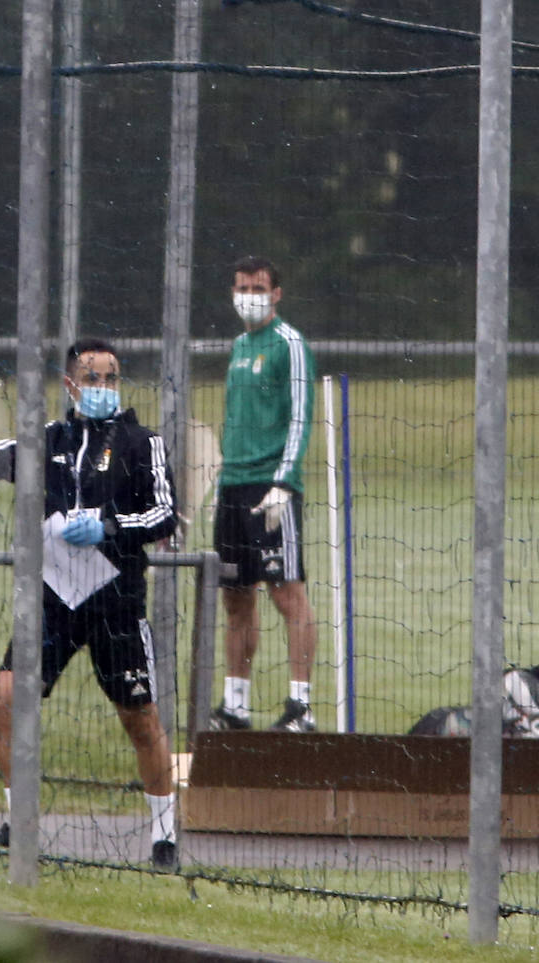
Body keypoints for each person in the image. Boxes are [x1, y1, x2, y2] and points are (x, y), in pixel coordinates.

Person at [0, 338, 182, 871]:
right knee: (8, 700)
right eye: (93, 377)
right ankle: (17, 821)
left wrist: (108, 526)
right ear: (71, 384)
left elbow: (166, 515)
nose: (103, 387)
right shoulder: (47, 440)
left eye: (112, 377)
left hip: (116, 599)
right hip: (53, 599)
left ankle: (165, 835)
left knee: (140, 717)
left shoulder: (140, 443)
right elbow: (1, 458)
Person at [208, 255, 320, 733]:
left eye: (257, 287)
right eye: (240, 287)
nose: (247, 295)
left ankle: (301, 706)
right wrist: (219, 482)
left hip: (272, 488)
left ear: (276, 293)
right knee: (235, 597)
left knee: (286, 592)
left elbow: (300, 416)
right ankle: (236, 706)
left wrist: (282, 480)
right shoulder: (237, 346)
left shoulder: (289, 344)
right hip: (232, 486)